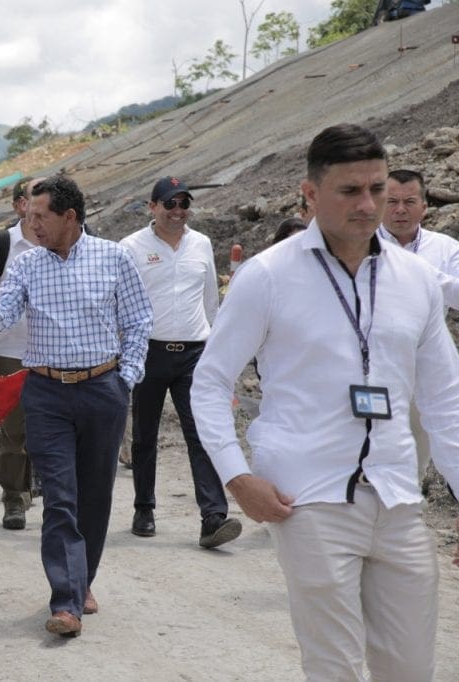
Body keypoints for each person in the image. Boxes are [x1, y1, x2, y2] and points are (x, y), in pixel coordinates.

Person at [191, 123, 459, 680]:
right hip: (306, 497)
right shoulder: (267, 275)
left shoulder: (417, 281)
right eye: (350, 191)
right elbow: (210, 381)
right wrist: (238, 478)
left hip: (396, 494)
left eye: (378, 189)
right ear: (310, 194)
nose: (368, 204)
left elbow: (446, 401)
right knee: (334, 665)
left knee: (410, 665)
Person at [0, 175, 152, 638]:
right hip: (45, 394)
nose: (32, 223)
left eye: (40, 216)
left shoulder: (115, 257)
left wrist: (126, 378)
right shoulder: (26, 267)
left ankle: (82, 578)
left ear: (70, 217)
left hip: (103, 389)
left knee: (95, 495)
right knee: (60, 498)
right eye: (28, 215)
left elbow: (139, 321)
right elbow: (2, 318)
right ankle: (66, 599)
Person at [119, 177, 241, 548]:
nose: (177, 212)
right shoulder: (130, 247)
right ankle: (144, 507)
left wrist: (217, 348)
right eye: (169, 204)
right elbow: (120, 301)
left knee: (201, 432)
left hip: (193, 354)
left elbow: (210, 302)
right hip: (148, 351)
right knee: (144, 436)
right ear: (152, 207)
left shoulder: (201, 244)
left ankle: (213, 516)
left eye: (183, 204)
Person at [378, 168, 459, 482]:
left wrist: (423, 274)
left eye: (409, 201)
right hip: (376, 360)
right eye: (392, 201)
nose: (400, 209)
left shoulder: (443, 248)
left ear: (424, 207)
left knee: (429, 441)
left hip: (428, 358)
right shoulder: (362, 246)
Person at [0, 177, 40, 529]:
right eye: (36, 197)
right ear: (20, 205)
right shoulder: (0, 244)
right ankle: (14, 498)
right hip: (9, 350)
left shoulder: (64, 240)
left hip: (53, 351)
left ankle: (43, 487)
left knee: (51, 429)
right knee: (14, 431)